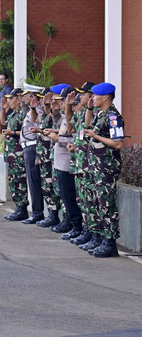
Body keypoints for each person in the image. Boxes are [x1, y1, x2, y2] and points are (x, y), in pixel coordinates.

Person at [83, 82, 124, 257]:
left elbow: (118, 143)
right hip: (97, 166)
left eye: (95, 95)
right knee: (97, 203)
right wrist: (90, 108)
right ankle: (99, 237)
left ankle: (110, 242)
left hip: (106, 167)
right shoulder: (101, 115)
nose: (92, 98)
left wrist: (95, 136)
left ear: (105, 96)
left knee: (107, 205)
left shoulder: (114, 117)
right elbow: (88, 124)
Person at [44, 86, 83, 236]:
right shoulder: (67, 116)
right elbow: (60, 128)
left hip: (68, 161)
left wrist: (58, 139)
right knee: (64, 195)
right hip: (61, 160)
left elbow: (74, 138)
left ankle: (75, 225)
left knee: (71, 197)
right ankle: (72, 225)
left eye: (62, 101)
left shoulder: (75, 117)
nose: (59, 104)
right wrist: (53, 112)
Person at [66, 82, 96, 246]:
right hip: (80, 163)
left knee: (92, 202)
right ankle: (86, 231)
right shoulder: (82, 112)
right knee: (83, 200)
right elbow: (70, 128)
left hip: (91, 165)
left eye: (82, 94)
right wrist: (68, 107)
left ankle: (94, 234)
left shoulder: (95, 113)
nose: (79, 97)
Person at [29, 87, 62, 228]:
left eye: (48, 98)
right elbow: (36, 121)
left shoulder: (58, 114)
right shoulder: (46, 112)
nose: (45, 100)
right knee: (46, 187)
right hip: (43, 154)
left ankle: (56, 216)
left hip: (51, 155)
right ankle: (51, 214)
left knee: (53, 187)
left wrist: (48, 107)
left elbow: (56, 128)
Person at [1, 88, 29, 221]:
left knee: (20, 181)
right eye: (8, 98)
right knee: (13, 181)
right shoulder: (12, 114)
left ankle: (22, 208)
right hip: (11, 153)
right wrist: (2, 109)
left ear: (18, 99)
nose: (9, 101)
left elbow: (26, 132)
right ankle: (18, 207)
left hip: (18, 153)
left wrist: (12, 133)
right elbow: (3, 123)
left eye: (11, 99)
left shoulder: (23, 114)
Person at [20, 86, 45, 224]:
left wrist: (34, 107)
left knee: (34, 181)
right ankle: (36, 211)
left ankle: (37, 212)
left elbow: (36, 122)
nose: (23, 98)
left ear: (33, 97)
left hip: (32, 147)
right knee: (31, 181)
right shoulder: (29, 110)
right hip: (27, 147)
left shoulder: (38, 110)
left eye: (26, 95)